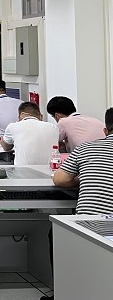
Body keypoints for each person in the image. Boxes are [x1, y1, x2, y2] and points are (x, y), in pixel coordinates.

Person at [44, 107, 113, 300]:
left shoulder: (86, 148)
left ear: (105, 130)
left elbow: (59, 180)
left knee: (55, 232)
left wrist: (86, 177)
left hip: (88, 225)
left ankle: (62, 291)